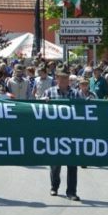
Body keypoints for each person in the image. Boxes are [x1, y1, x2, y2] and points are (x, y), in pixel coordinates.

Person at [42, 64, 82, 201]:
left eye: (66, 77)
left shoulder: (76, 94)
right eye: (61, 77)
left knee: (72, 164)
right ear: (56, 78)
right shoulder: (49, 92)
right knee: (55, 163)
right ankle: (54, 186)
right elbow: (39, 110)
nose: (63, 80)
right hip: (55, 133)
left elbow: (84, 112)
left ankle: (71, 191)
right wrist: (44, 103)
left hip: (72, 133)